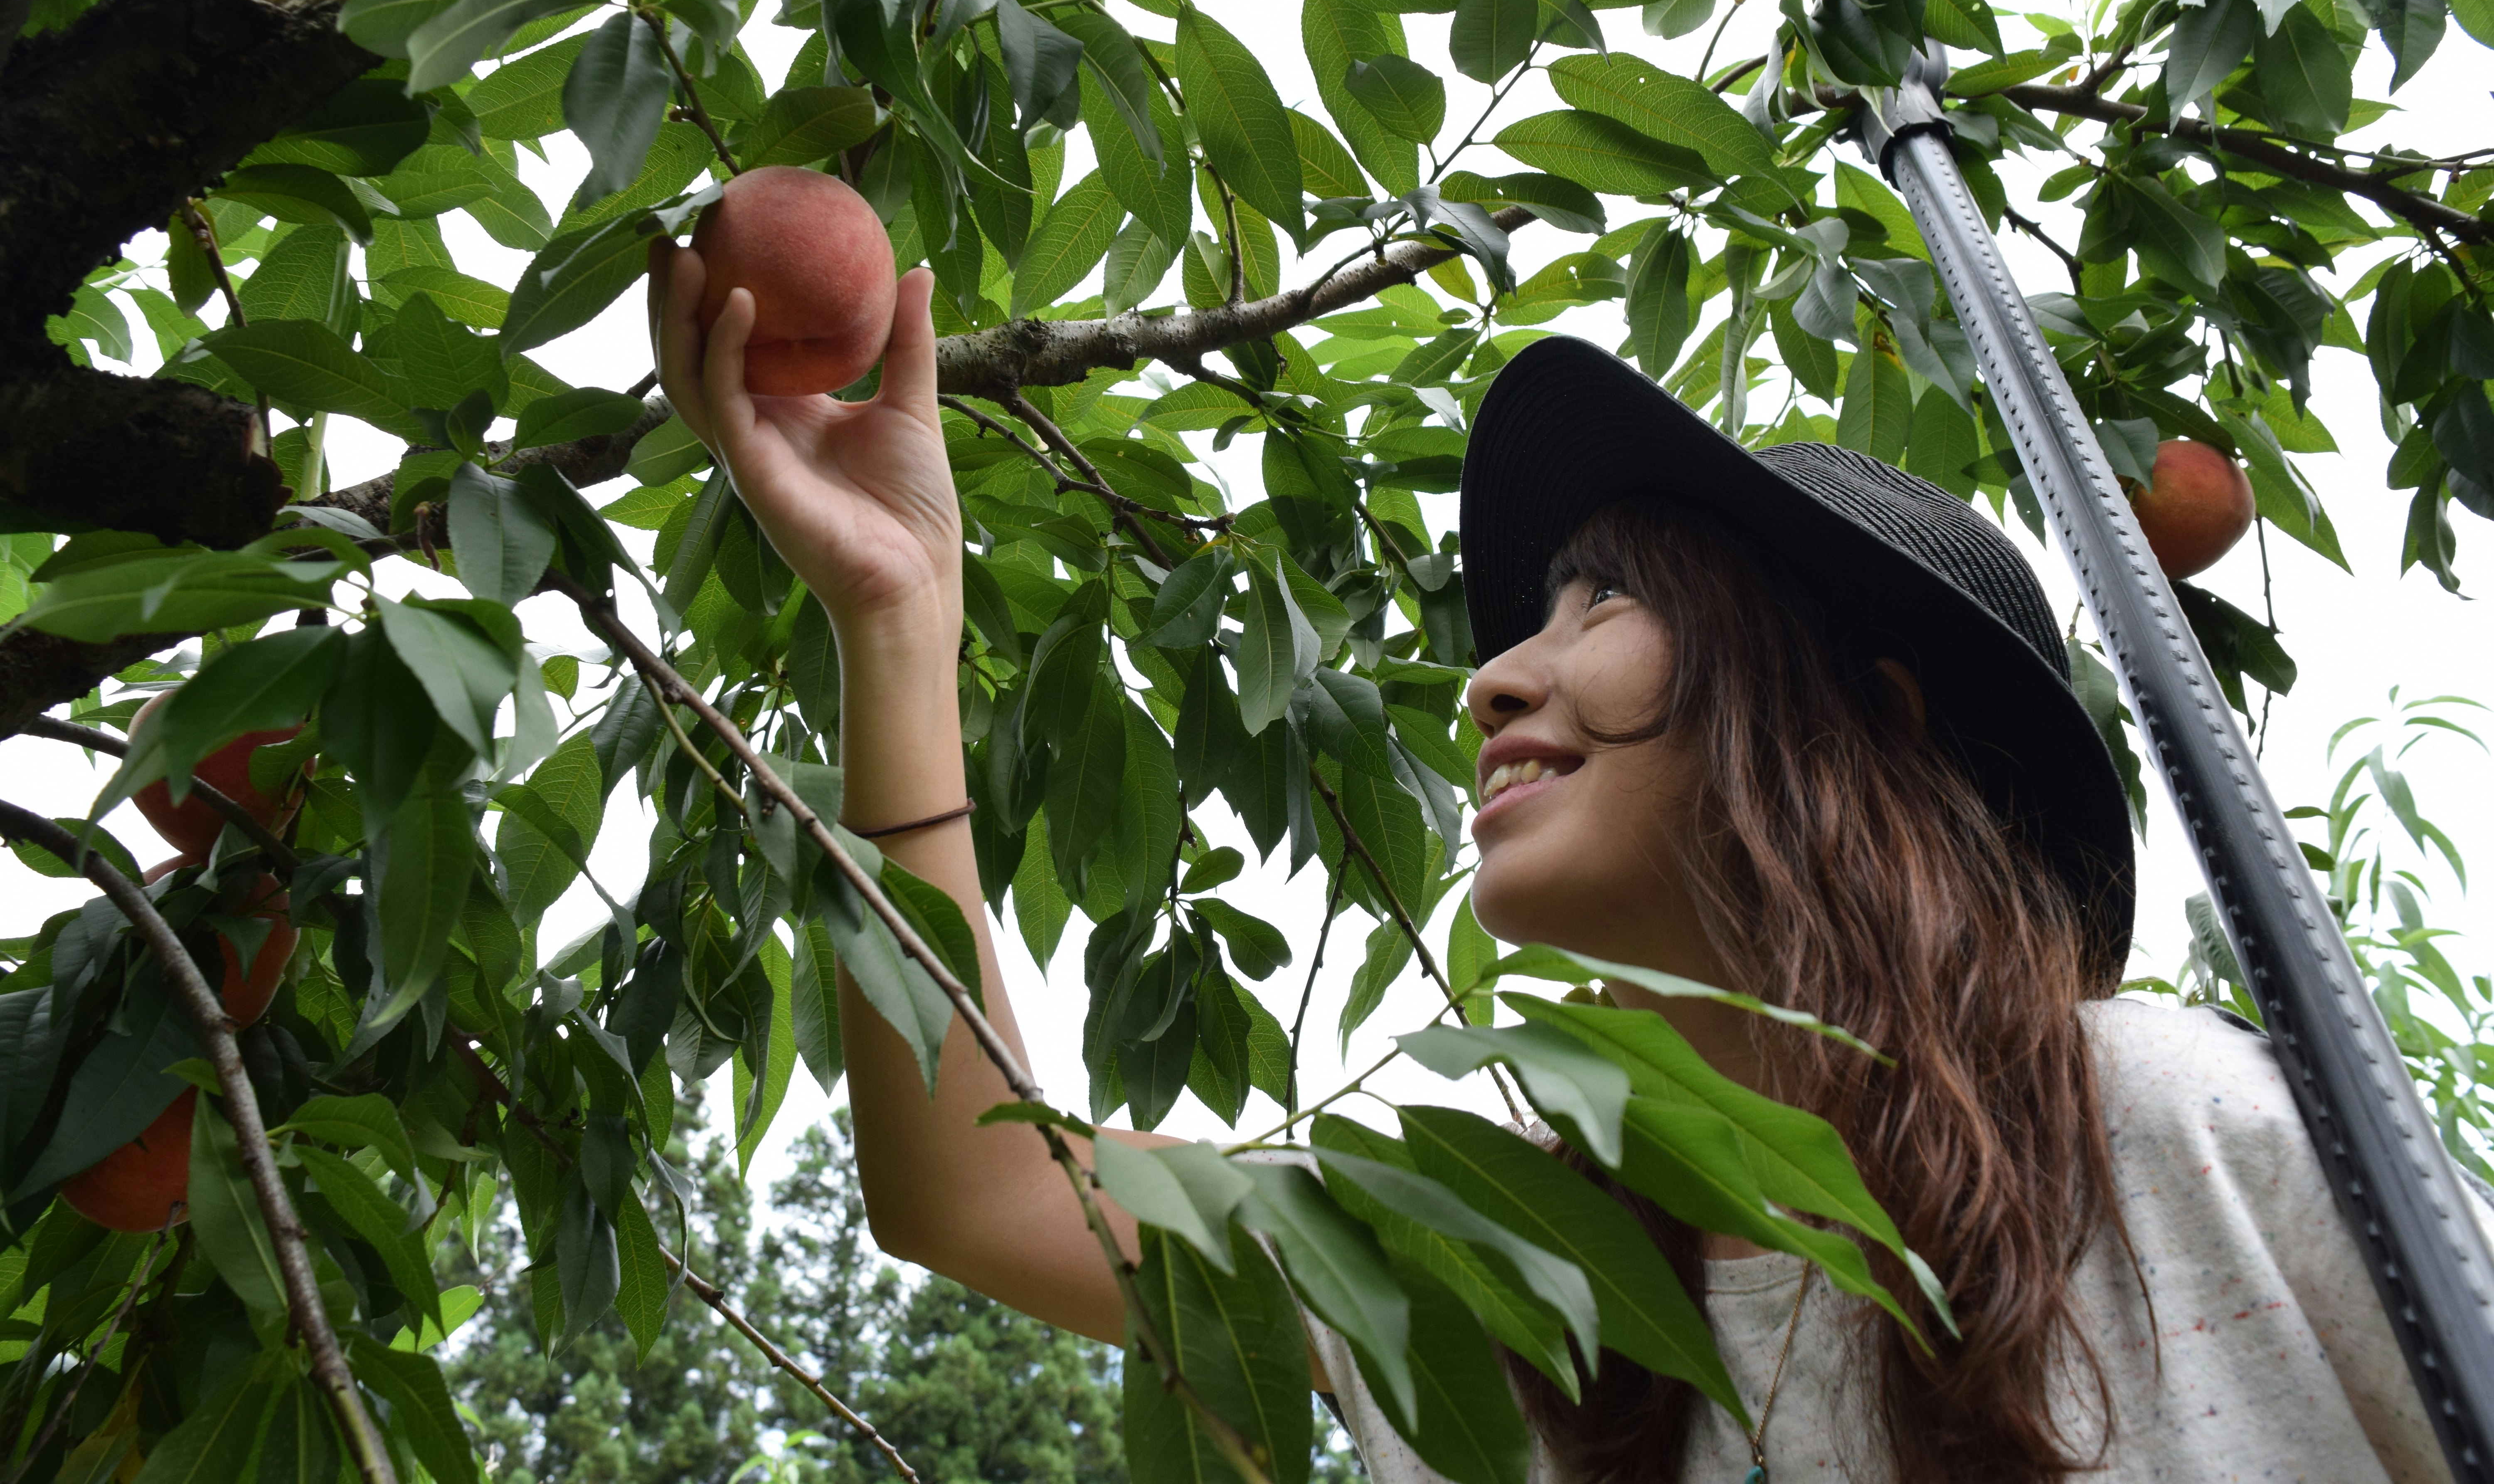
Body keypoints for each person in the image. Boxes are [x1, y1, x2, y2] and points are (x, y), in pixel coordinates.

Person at [649, 247, 2484, 1484]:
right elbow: (979, 1194)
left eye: (1606, 600)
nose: (1496, 673)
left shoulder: (2174, 1134)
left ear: (1870, 717)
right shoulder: (1501, 1267)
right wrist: (899, 618)